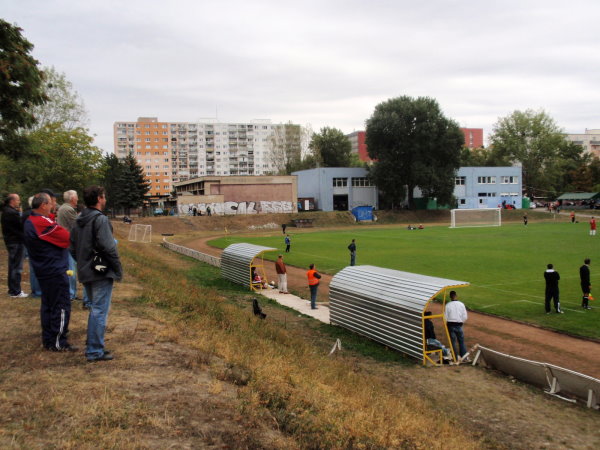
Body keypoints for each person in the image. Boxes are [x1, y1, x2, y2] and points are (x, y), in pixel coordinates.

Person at [70, 186, 122, 362]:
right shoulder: (100, 220)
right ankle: (94, 350)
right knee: (99, 310)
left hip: (85, 269)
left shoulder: (79, 219)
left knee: (95, 309)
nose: (105, 199)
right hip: (100, 271)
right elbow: (109, 247)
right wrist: (117, 269)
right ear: (99, 198)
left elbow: (72, 248)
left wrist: (83, 261)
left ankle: (94, 344)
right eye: (104, 196)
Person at [24, 193, 77, 351]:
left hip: (45, 268)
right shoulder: (41, 222)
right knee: (61, 305)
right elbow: (66, 237)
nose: (54, 205)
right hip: (53, 269)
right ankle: (58, 341)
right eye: (51, 203)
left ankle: (49, 339)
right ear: (43, 205)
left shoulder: (31, 220)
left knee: (48, 304)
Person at [2, 193, 28, 298]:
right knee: (16, 267)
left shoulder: (6, 211)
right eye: (17, 200)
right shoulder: (12, 213)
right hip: (16, 241)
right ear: (12, 201)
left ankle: (13, 289)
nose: (19, 202)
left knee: (13, 265)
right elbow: (20, 226)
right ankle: (15, 291)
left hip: (11, 241)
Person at [57, 190, 80, 301]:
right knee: (71, 269)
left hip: (65, 241)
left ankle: (71, 293)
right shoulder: (68, 209)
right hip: (68, 242)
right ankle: (71, 294)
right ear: (72, 198)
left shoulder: (63, 208)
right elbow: (76, 225)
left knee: (70, 268)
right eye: (76, 197)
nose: (78, 199)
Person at [444, 291, 468, 360]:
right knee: (461, 341)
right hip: (459, 325)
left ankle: (455, 357)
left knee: (453, 342)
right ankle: (464, 357)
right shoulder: (461, 304)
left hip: (451, 325)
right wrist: (461, 323)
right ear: (456, 296)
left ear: (450, 297)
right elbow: (465, 316)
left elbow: (445, 317)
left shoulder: (448, 305)